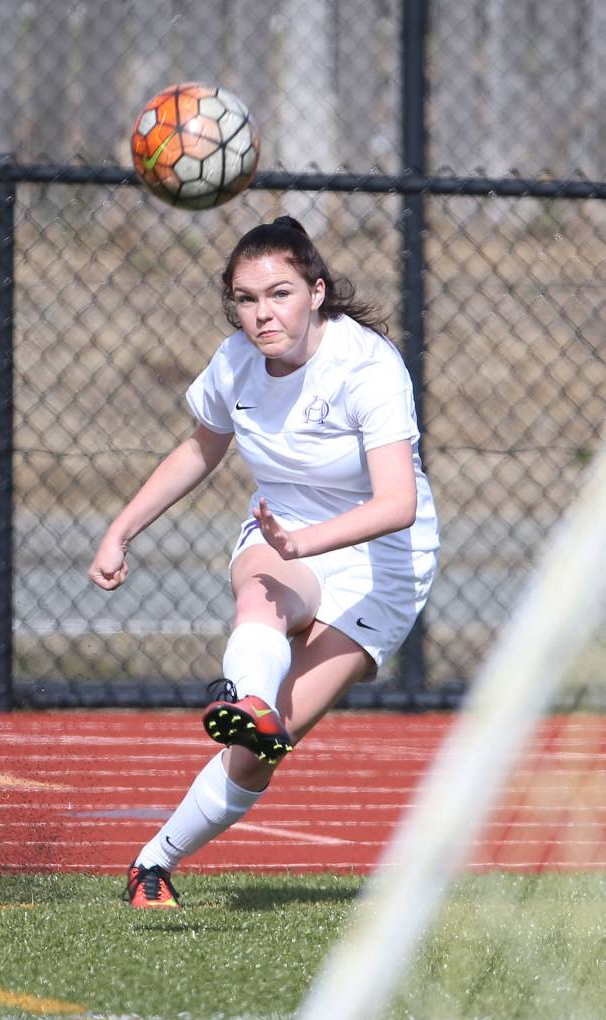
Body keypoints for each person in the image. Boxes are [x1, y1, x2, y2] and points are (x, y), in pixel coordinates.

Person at [88, 216, 439, 909]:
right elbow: (200, 448)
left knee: (257, 753)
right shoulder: (235, 362)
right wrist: (121, 529)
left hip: (381, 560)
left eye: (277, 294)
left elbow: (397, 502)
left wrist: (308, 544)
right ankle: (247, 699)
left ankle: (153, 858)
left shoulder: (366, 364)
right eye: (245, 299)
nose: (261, 314)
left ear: (315, 291)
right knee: (260, 600)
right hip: (285, 534)